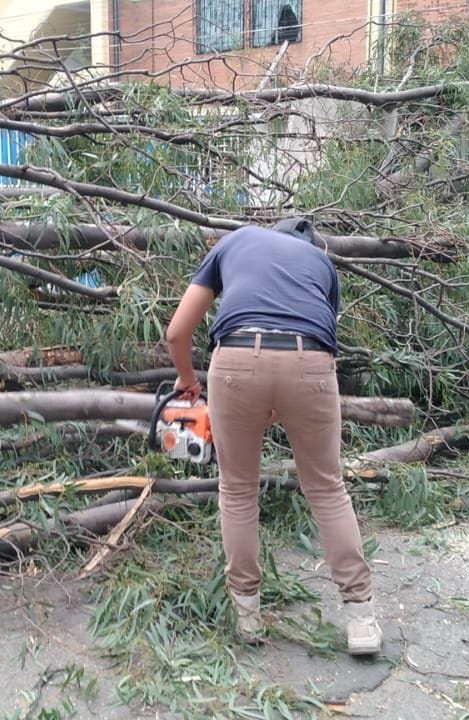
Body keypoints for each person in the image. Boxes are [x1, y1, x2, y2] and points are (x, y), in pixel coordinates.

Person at [164, 217, 381, 655]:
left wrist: (188, 379)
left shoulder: (237, 240)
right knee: (326, 488)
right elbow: (315, 331)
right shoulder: (322, 264)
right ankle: (361, 620)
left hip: (237, 358)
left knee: (239, 490)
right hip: (311, 363)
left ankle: (248, 616)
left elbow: (176, 331)